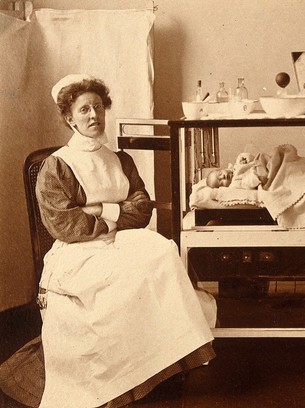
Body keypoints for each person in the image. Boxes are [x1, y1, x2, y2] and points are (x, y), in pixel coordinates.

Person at [0, 75, 216, 408]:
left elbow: (143, 209)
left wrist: (100, 208)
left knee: (161, 250)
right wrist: (116, 214)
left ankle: (159, 364)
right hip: (77, 252)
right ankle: (123, 381)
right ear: (70, 118)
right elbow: (67, 224)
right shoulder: (57, 166)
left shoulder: (120, 160)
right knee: (119, 277)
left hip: (122, 239)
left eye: (98, 107)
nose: (93, 115)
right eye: (84, 109)